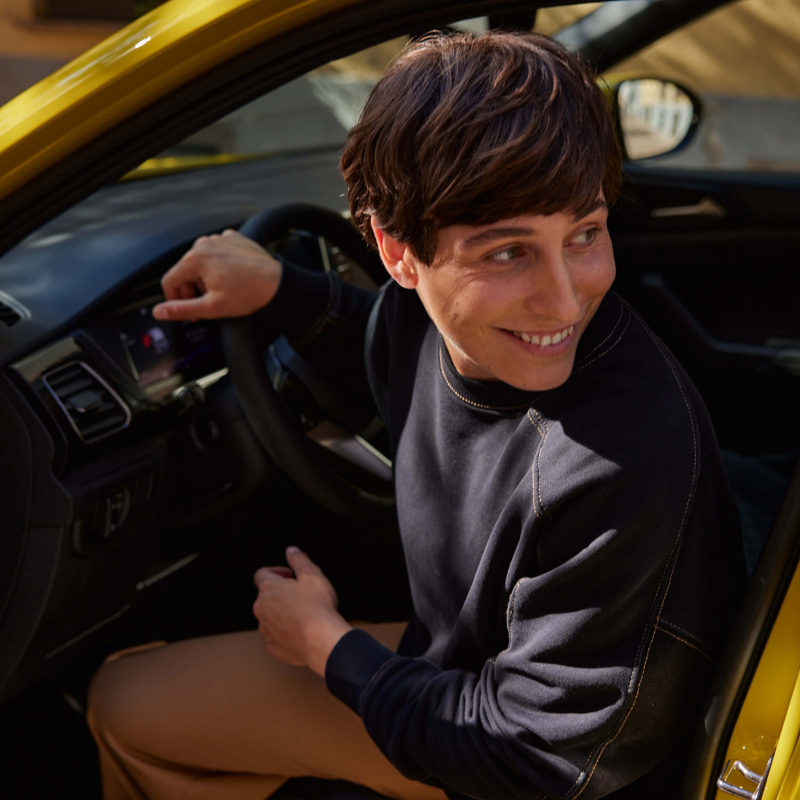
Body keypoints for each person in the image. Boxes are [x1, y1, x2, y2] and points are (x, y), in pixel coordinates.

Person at [87, 31, 746, 800]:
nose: (565, 300)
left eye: (585, 235)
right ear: (400, 257)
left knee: (121, 706)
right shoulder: (425, 323)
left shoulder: (620, 459)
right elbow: (391, 356)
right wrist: (286, 291)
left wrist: (327, 646)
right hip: (468, 671)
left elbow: (533, 758)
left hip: (527, 756)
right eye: (507, 252)